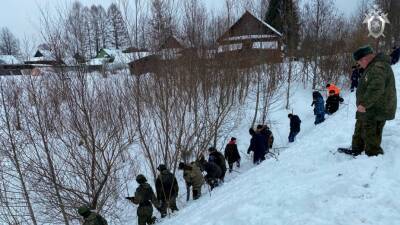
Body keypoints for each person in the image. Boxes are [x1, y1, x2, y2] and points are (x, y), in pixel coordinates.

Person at [347, 45, 397, 156]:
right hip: (371, 105)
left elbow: (376, 87)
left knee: (371, 131)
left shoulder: (378, 67)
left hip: (378, 107)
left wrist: (364, 104)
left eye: (359, 62)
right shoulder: (373, 66)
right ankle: (357, 148)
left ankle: (373, 154)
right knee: (360, 123)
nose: (359, 65)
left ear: (364, 59)